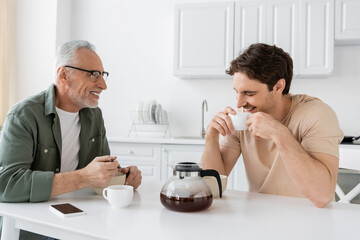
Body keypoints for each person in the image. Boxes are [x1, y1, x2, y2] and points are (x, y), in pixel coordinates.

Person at [202, 43, 343, 208]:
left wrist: (279, 134)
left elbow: (322, 196)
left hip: (311, 222)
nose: (239, 103)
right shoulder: (241, 119)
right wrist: (211, 137)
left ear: (278, 87)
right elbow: (211, 187)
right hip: (260, 219)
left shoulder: (316, 114)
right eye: (237, 92)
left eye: (249, 93)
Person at [0, 40, 142, 204]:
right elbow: (7, 184)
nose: (103, 85)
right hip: (32, 223)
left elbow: (99, 172)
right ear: (63, 75)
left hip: (81, 215)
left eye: (103, 75)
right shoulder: (23, 116)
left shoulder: (94, 115)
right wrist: (83, 177)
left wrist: (122, 176)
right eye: (94, 74)